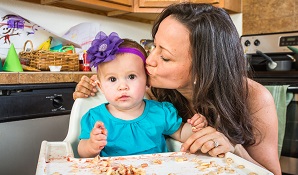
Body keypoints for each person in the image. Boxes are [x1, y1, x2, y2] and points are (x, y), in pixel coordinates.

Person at [73, 3, 281, 174]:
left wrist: (234, 148)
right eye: (153, 47)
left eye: (165, 57)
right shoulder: (152, 91)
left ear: (204, 69)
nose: (149, 60)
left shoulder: (254, 97)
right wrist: (91, 92)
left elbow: (271, 173)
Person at [77, 31, 207, 158]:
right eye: (112, 79)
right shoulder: (95, 118)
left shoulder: (161, 112)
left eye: (132, 76)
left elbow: (181, 134)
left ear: (147, 81)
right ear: (101, 87)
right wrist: (91, 146)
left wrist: (195, 127)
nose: (123, 86)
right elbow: (81, 152)